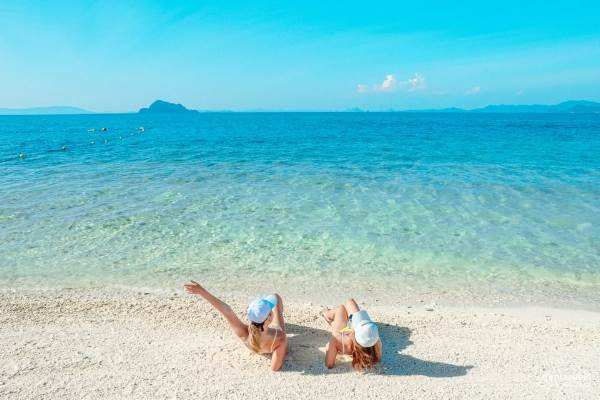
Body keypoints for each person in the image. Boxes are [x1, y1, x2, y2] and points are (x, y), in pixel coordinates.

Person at [184, 281, 288, 371]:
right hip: (272, 336)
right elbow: (274, 368)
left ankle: (263, 315)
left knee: (273, 300)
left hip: (256, 342)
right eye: (270, 313)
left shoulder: (243, 332)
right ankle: (273, 310)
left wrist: (202, 292)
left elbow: (226, 310)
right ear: (269, 318)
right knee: (275, 297)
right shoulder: (280, 338)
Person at [322, 298, 382, 371]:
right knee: (350, 302)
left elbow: (329, 364)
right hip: (358, 332)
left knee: (341, 308)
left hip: (343, 332)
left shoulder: (339, 340)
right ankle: (333, 319)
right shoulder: (373, 342)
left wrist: (329, 346)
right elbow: (378, 358)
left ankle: (327, 314)